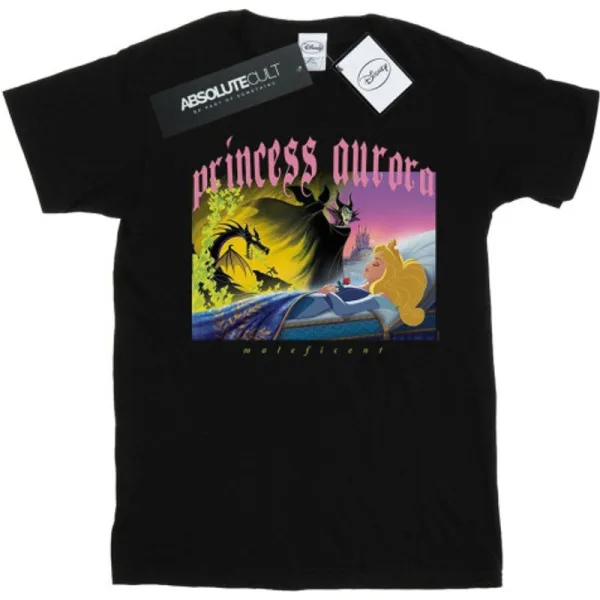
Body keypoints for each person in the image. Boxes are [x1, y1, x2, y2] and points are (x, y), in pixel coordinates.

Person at [290, 239, 428, 325]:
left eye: (375, 264)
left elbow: (343, 309)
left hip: (308, 306)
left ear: (388, 274)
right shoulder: (369, 288)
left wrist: (329, 293)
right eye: (371, 261)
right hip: (306, 300)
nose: (368, 265)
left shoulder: (382, 297)